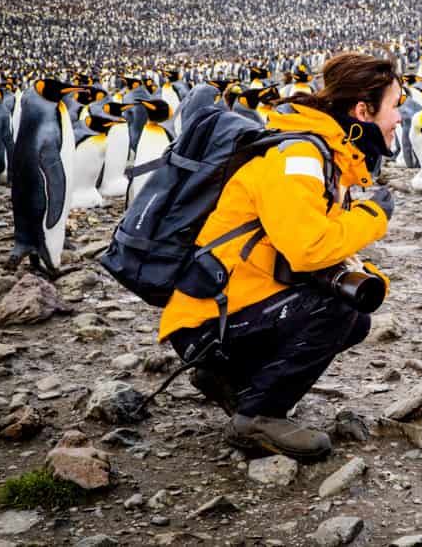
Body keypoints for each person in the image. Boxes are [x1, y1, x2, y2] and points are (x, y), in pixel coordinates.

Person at [158, 53, 401, 461]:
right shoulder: (299, 158)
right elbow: (308, 250)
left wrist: (364, 275)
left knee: (355, 317)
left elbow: (307, 248)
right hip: (207, 316)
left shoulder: (323, 155)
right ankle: (258, 415)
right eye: (395, 106)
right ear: (363, 110)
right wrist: (373, 216)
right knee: (337, 310)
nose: (398, 119)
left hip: (228, 307)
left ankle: (231, 379)